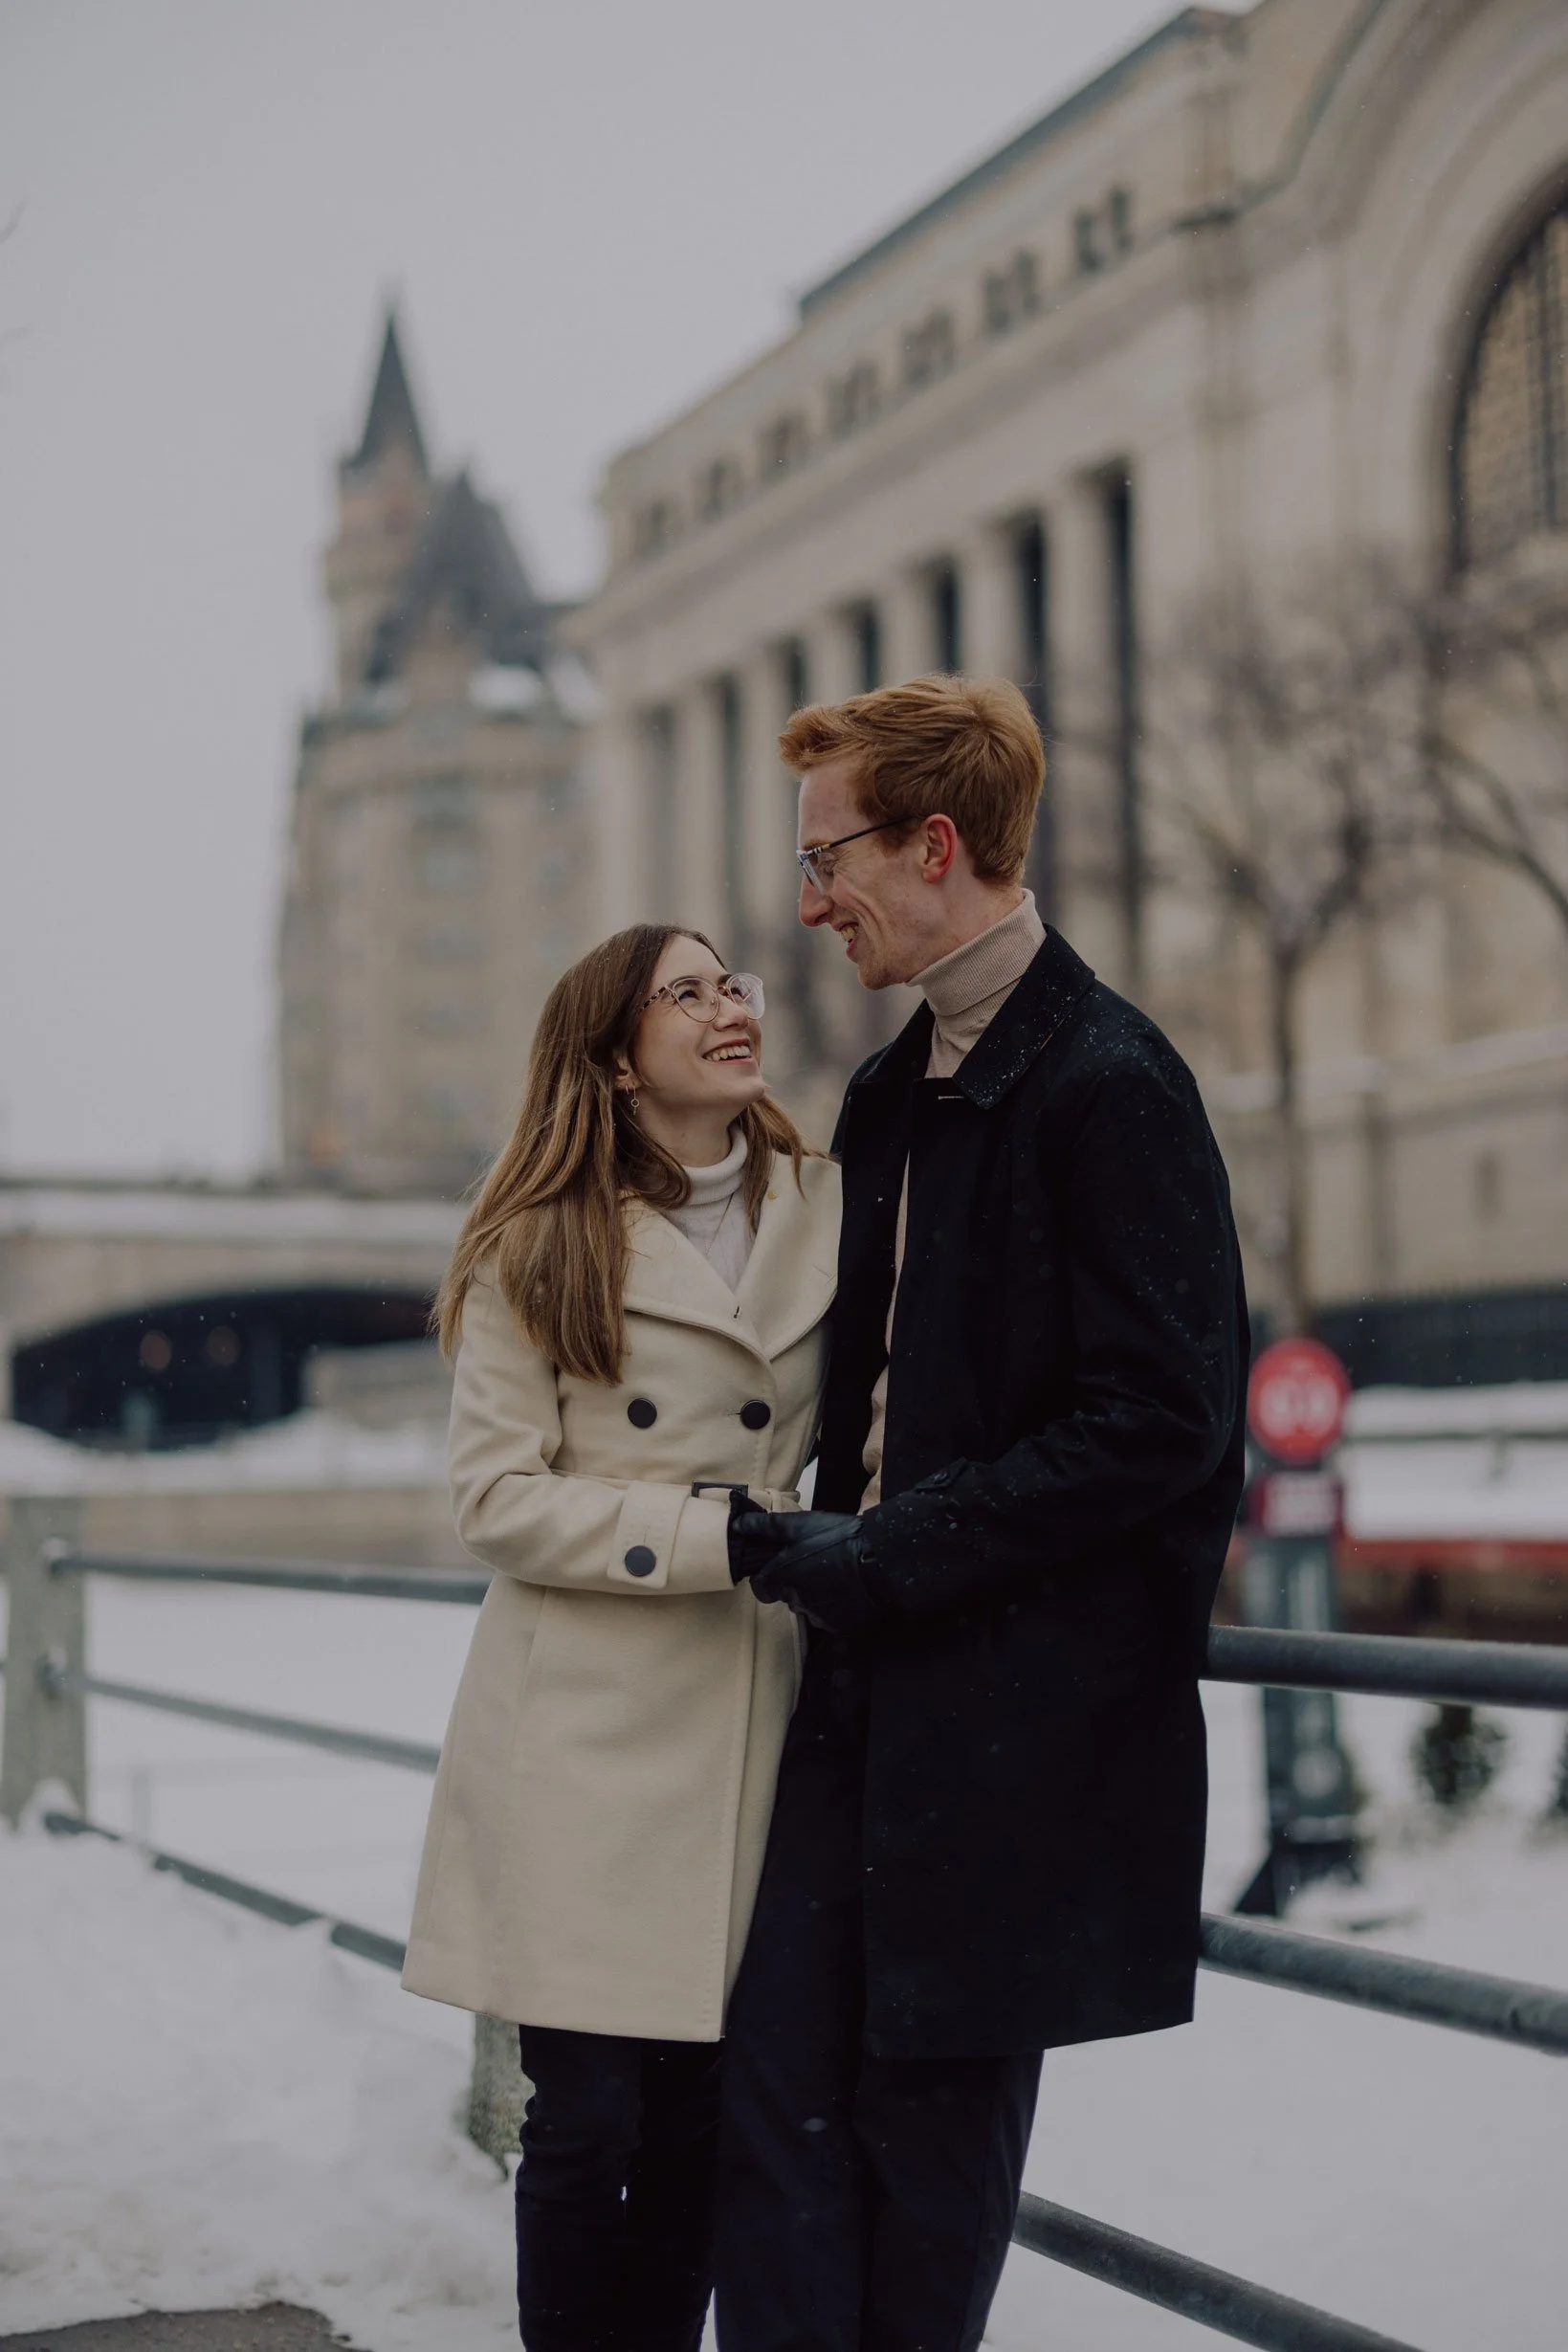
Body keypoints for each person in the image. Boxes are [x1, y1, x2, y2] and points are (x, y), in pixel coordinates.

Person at [715, 676, 1248, 2352]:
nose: (809, 902)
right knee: (775, 2137)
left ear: (934, 843)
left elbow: (1163, 1421)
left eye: (831, 858)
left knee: (925, 2197)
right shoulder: (887, 1094)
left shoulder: (1113, 1081)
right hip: (855, 1705)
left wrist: (888, 1550)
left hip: (1002, 1745)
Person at [402, 922, 840, 2352]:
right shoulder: (538, 1242)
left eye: (733, 984)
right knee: (589, 2121)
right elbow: (495, 1498)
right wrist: (712, 1532)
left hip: (750, 1719)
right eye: (687, 992)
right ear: (611, 1054)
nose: (729, 1007)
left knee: (711, 2119)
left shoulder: (832, 1202)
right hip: (584, 1736)